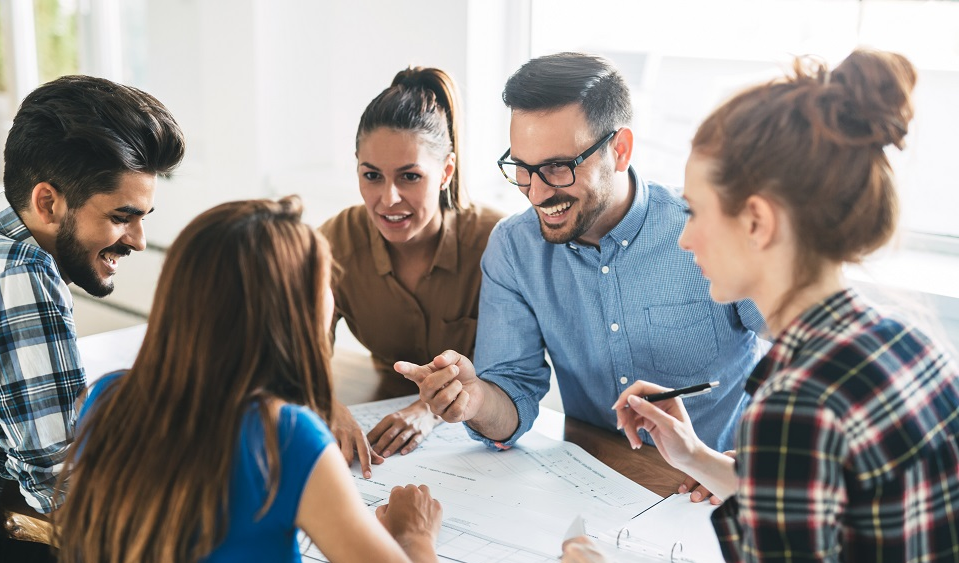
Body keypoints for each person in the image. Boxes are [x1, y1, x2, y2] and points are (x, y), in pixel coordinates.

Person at [568, 49, 959, 562]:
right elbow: (824, 508)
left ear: (756, 222)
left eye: (695, 212)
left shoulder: (794, 404)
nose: (684, 239)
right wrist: (698, 458)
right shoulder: (910, 344)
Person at [397, 53, 767, 463]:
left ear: (620, 150)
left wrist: (755, 462)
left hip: (714, 486)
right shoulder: (515, 248)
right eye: (522, 167)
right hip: (597, 483)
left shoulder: (705, 231)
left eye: (557, 167)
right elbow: (513, 392)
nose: (536, 193)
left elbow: (815, 357)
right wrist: (476, 400)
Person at [56, 197, 442, 563]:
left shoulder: (105, 399)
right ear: (292, 310)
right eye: (325, 281)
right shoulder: (287, 438)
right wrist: (415, 534)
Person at [0, 75, 185, 563]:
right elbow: (61, 484)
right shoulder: (19, 275)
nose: (139, 240)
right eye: (122, 216)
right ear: (47, 202)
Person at [319, 67, 504, 477]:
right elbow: (299, 348)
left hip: (477, 436)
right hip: (381, 419)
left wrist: (428, 410)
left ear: (447, 172)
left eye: (410, 176)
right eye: (372, 176)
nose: (388, 199)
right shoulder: (334, 241)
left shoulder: (497, 243)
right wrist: (326, 406)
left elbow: (512, 366)